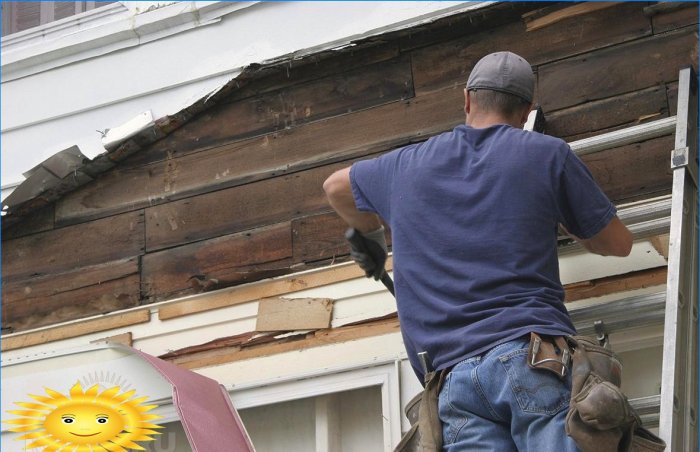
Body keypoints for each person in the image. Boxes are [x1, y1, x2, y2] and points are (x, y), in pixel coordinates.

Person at [323, 51, 632, 451]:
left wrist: (371, 237)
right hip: (529, 358)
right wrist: (567, 218)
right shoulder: (545, 154)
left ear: (466, 99)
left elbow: (335, 187)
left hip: (452, 385)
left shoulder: (403, 167)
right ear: (525, 113)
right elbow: (618, 244)